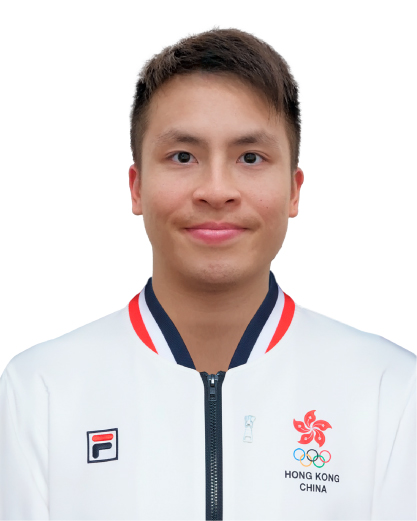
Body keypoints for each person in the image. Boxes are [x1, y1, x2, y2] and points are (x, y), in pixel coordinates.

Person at [0, 27, 415, 521]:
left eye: (250, 157)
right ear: (136, 187)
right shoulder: (39, 392)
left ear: (293, 190)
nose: (216, 191)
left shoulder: (391, 392)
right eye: (183, 156)